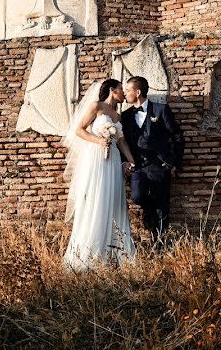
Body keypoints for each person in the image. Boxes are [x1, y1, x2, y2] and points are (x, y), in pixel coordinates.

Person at [62, 79, 137, 271]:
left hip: (112, 161)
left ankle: (115, 254)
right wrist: (98, 140)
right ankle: (89, 254)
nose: (124, 93)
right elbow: (78, 130)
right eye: (122, 89)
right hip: (96, 158)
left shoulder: (118, 117)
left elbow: (122, 143)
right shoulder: (97, 106)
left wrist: (131, 161)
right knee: (96, 200)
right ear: (112, 90)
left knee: (113, 202)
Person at [121, 76, 184, 247]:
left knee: (162, 205)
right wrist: (124, 162)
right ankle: (149, 210)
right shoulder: (125, 116)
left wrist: (175, 163)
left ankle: (160, 244)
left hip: (159, 166)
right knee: (137, 196)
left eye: (128, 90)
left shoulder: (161, 110)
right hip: (138, 167)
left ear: (138, 92)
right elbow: (122, 141)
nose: (125, 93)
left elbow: (177, 136)